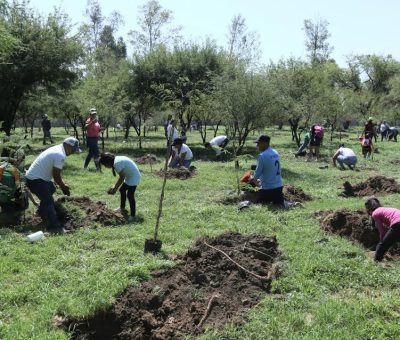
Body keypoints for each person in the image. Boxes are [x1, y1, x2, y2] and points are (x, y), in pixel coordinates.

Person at [25, 137, 81, 234]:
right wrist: (64, 187)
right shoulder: (59, 155)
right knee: (49, 200)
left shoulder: (58, 149)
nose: (72, 153)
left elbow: (54, 174)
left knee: (51, 188)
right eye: (73, 150)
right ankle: (56, 227)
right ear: (68, 145)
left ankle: (42, 210)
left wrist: (61, 183)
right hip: (35, 180)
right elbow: (56, 176)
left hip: (38, 177)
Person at [99, 153, 141, 222]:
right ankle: (122, 208)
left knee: (130, 195)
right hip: (130, 175)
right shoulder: (116, 160)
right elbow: (122, 175)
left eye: (104, 165)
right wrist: (115, 186)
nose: (105, 167)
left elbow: (122, 177)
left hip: (133, 177)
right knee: (122, 190)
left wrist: (115, 189)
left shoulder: (116, 163)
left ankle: (133, 216)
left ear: (108, 162)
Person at [250, 135, 284, 206]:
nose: (257, 146)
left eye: (258, 143)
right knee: (278, 204)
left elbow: (257, 174)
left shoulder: (262, 155)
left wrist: (252, 179)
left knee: (257, 204)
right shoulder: (275, 152)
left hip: (268, 189)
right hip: (279, 187)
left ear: (264, 143)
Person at [365, 197, 400, 262]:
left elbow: (381, 230)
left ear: (368, 209)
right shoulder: (385, 209)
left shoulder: (375, 213)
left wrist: (382, 240)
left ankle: (376, 262)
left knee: (381, 245)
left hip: (398, 224)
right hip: (397, 224)